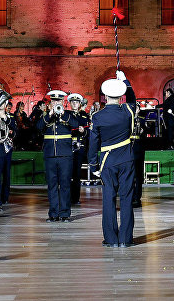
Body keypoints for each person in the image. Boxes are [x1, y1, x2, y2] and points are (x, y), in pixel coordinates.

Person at [88, 70, 137, 247]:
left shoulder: (97, 116)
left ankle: (111, 239)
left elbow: (93, 143)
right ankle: (125, 239)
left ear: (105, 96)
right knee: (126, 198)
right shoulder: (127, 111)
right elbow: (133, 99)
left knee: (108, 199)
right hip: (126, 159)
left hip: (107, 162)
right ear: (121, 95)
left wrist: (93, 164)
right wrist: (125, 80)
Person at [36, 90, 81, 222]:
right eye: (54, 101)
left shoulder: (68, 114)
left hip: (65, 155)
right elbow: (38, 127)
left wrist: (63, 115)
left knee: (65, 184)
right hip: (50, 154)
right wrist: (49, 115)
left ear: (63, 102)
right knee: (52, 185)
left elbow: (76, 125)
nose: (56, 103)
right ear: (50, 103)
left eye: (59, 101)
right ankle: (54, 213)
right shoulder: (46, 116)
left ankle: (65, 213)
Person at [68, 93, 89, 205]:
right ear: (70, 103)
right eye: (72, 102)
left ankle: (75, 198)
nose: (74, 104)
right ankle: (67, 197)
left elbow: (88, 131)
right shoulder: (66, 114)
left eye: (76, 102)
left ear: (80, 104)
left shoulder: (84, 115)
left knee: (76, 174)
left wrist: (84, 131)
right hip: (68, 146)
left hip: (79, 146)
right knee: (67, 173)